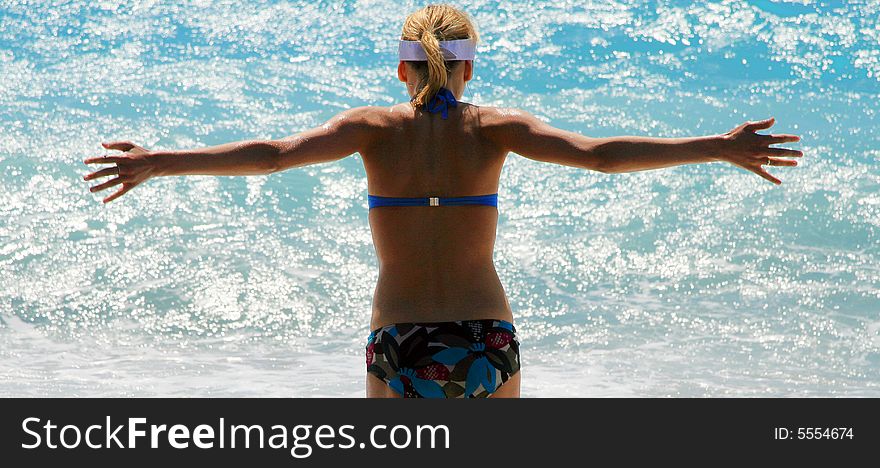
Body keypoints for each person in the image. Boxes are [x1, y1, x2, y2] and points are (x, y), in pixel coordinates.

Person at [82, 4, 803, 398]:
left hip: (398, 346)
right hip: (486, 341)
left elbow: (271, 157)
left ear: (402, 65)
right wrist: (716, 145)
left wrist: (159, 162)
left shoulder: (369, 130)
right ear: (469, 66)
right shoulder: (494, 129)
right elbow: (600, 157)